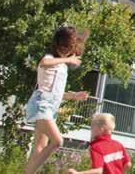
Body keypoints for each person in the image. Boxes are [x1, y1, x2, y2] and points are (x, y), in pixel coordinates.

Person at [24, 26, 90, 174]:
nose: (66, 52)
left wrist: (73, 96)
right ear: (57, 46)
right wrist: (68, 59)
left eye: (69, 49)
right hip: (42, 104)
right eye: (63, 48)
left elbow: (56, 92)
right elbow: (43, 63)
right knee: (57, 141)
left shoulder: (62, 67)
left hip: (50, 107)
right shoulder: (50, 58)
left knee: (39, 148)